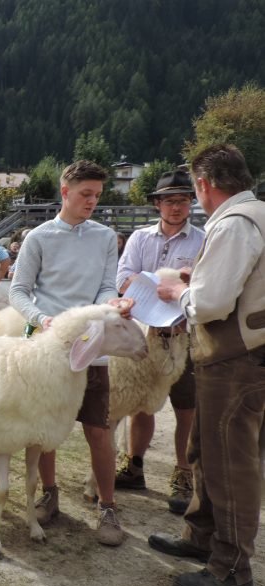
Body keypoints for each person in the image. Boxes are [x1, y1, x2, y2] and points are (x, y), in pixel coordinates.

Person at [149, 143, 265, 586]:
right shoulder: (255, 215)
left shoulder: (235, 224)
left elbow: (213, 302)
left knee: (230, 461)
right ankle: (202, 536)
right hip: (240, 354)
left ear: (204, 184)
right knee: (206, 450)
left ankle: (231, 567)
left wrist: (176, 295)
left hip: (234, 359)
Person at [9, 159, 134, 547]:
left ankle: (108, 506)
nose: (92, 201)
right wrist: (42, 319)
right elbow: (18, 290)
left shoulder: (104, 238)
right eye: (85, 194)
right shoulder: (39, 238)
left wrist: (109, 305)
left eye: (97, 195)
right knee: (44, 432)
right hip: (48, 352)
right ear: (65, 192)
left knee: (99, 429)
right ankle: (50, 493)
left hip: (92, 352)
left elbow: (105, 286)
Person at [113, 170, 205, 514]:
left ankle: (183, 475)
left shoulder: (203, 239)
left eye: (182, 200)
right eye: (169, 201)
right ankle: (134, 465)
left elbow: (205, 284)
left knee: (186, 407)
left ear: (190, 203)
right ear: (157, 204)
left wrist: (180, 286)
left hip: (185, 334)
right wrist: (158, 284)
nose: (176, 207)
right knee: (142, 403)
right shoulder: (139, 238)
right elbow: (123, 278)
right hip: (145, 331)